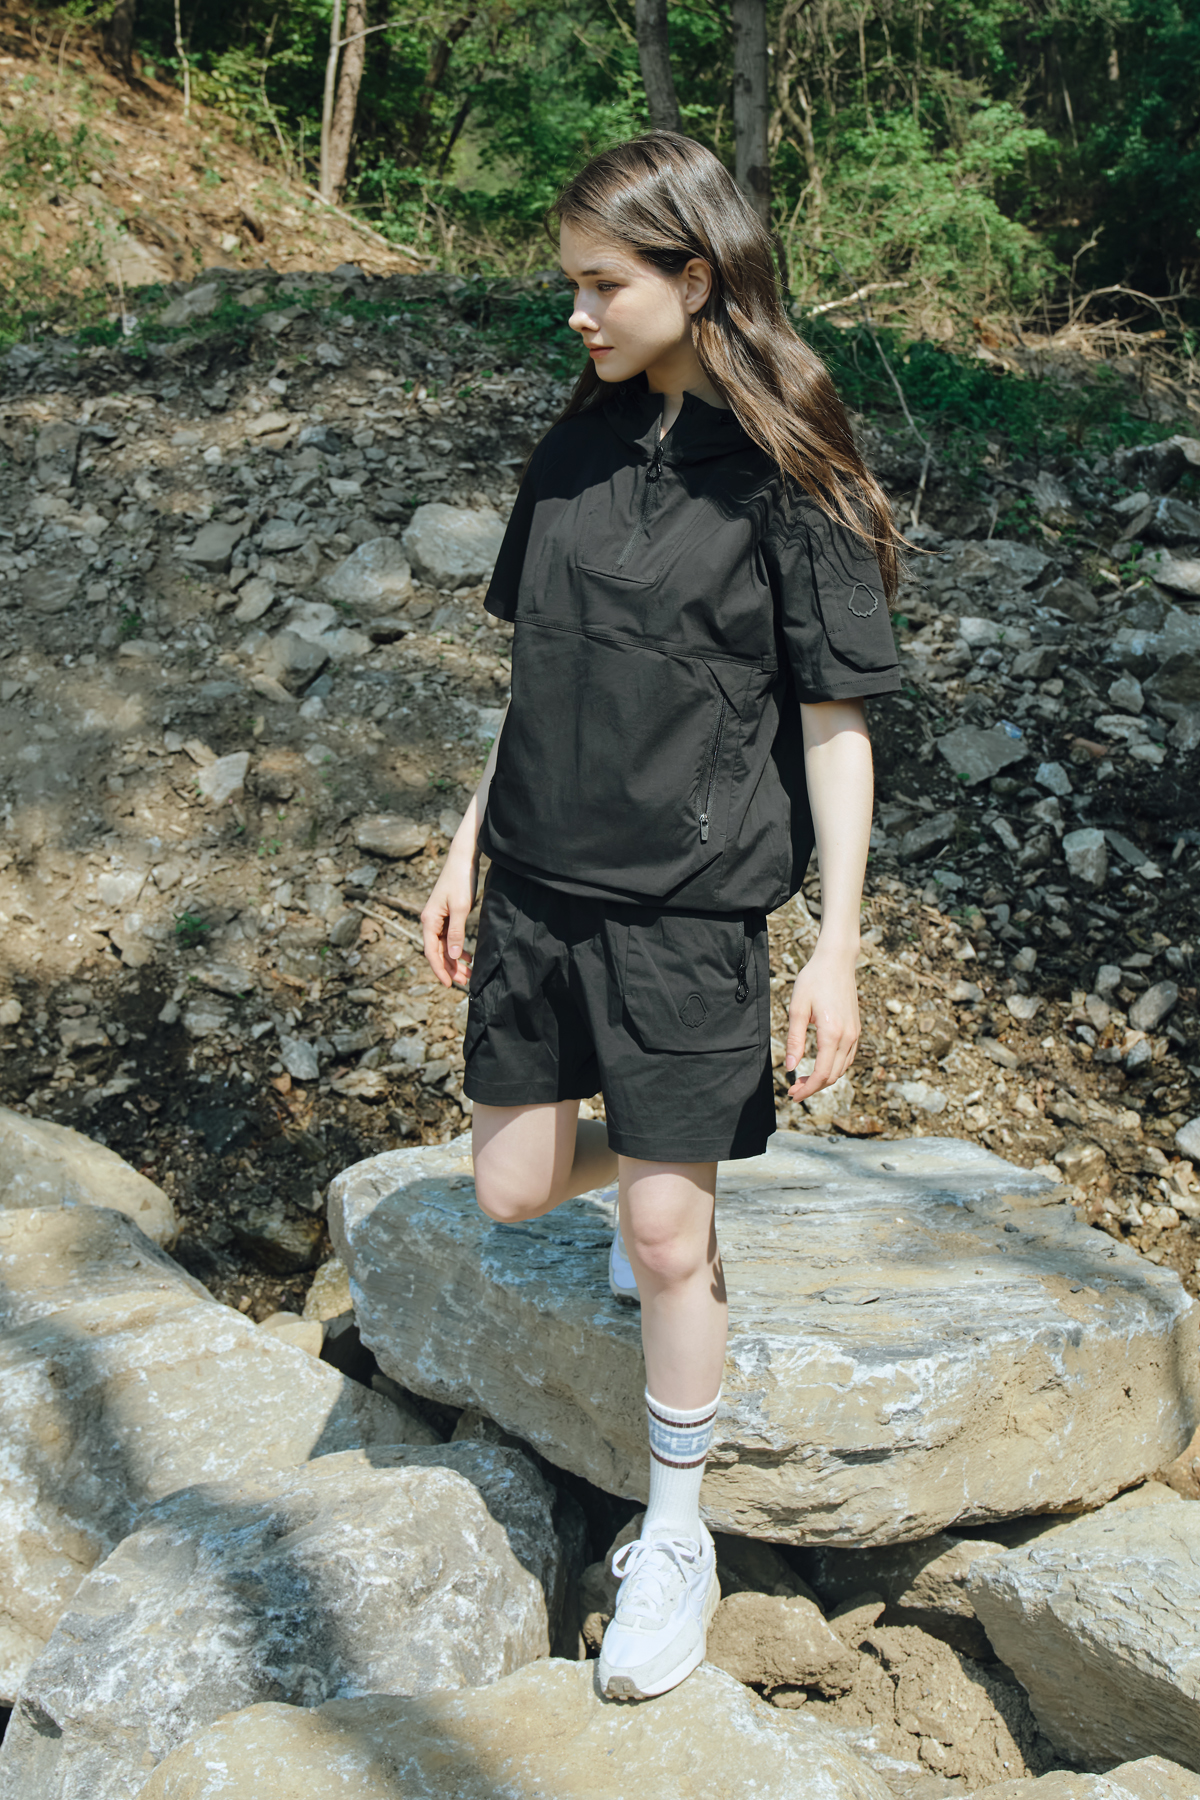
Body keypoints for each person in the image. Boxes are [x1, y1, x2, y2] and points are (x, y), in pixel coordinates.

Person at [421, 131, 902, 1702]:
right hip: (537, 886)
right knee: (508, 1189)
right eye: (571, 284)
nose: (576, 312)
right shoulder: (575, 446)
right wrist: (465, 844)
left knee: (662, 1234)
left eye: (601, 284)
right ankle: (676, 1141)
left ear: (696, 279)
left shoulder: (789, 477)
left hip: (688, 911)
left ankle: (678, 1535)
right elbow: (535, 672)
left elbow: (834, 722)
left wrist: (835, 944)